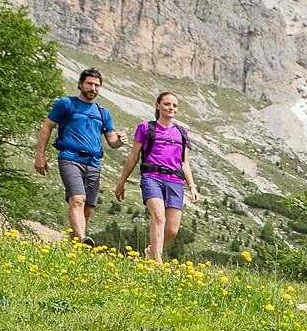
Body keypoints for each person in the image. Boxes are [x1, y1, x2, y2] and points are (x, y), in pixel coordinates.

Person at [35, 67, 124, 243]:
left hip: (93, 163)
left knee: (88, 209)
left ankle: (74, 244)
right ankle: (83, 241)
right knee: (77, 199)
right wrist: (40, 155)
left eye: (97, 85)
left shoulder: (103, 112)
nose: (93, 88)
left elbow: (112, 141)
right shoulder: (66, 104)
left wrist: (120, 141)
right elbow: (47, 127)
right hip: (70, 158)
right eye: (89, 84)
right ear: (80, 84)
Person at [114, 91, 199, 262]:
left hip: (175, 181)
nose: (171, 108)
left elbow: (184, 162)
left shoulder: (182, 132)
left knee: (172, 230)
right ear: (157, 105)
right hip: (152, 177)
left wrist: (192, 186)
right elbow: (133, 157)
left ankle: (151, 251)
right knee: (159, 217)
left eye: (174, 105)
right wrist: (121, 182)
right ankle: (157, 263)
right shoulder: (145, 128)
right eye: (167, 104)